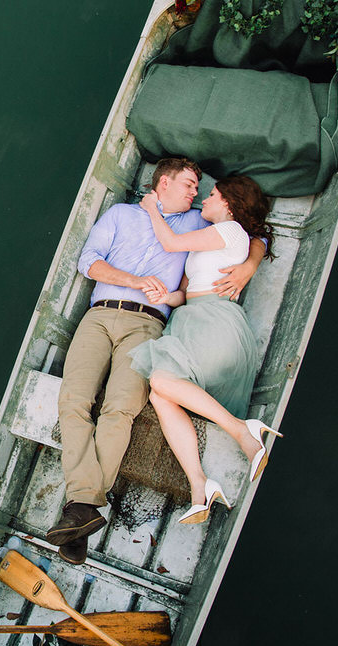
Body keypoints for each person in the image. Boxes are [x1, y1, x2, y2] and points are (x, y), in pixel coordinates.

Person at [46, 158, 267, 565]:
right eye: (188, 185)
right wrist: (132, 281)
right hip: (98, 316)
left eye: (201, 189)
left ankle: (81, 507)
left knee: (120, 408)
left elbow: (253, 235)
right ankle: (85, 509)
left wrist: (250, 266)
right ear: (163, 182)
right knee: (73, 401)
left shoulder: (201, 223)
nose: (196, 194)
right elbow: (88, 260)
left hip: (148, 325)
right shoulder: (121, 214)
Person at [129, 175, 282, 525]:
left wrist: (153, 207)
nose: (205, 200)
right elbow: (187, 291)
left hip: (214, 324)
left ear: (229, 202)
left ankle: (242, 431)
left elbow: (169, 243)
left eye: (211, 194)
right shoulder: (208, 242)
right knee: (160, 394)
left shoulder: (231, 231)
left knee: (161, 383)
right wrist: (167, 298)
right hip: (192, 320)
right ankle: (200, 485)